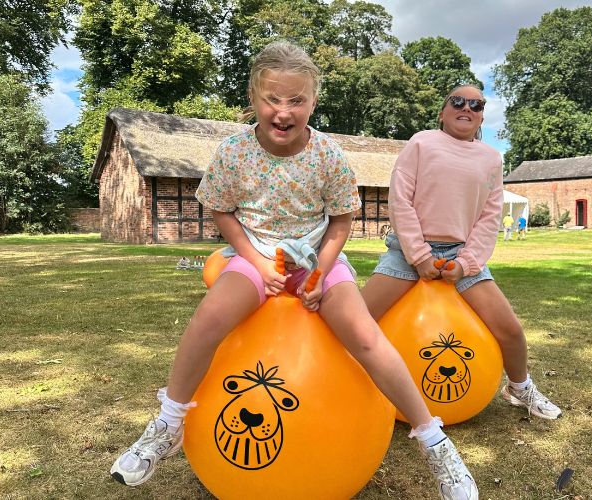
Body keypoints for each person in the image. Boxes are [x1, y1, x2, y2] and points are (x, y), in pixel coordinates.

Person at [108, 41, 479, 500]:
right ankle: (167, 424)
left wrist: (322, 270)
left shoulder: (328, 156)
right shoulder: (233, 152)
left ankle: (434, 442)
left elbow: (342, 219)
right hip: (255, 255)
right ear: (253, 98)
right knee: (208, 319)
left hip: (317, 259)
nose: (283, 112)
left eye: (296, 100)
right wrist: (256, 261)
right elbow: (221, 211)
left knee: (366, 337)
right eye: (272, 99)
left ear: (313, 102)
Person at [360, 85, 562, 422]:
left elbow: (490, 215)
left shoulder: (490, 158)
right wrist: (419, 255)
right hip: (407, 251)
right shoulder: (421, 143)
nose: (466, 107)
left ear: (482, 115)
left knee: (510, 329)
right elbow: (400, 200)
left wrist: (467, 263)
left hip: (461, 253)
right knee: (358, 321)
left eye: (476, 104)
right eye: (457, 101)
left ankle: (520, 387)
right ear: (442, 111)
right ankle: (351, 387)